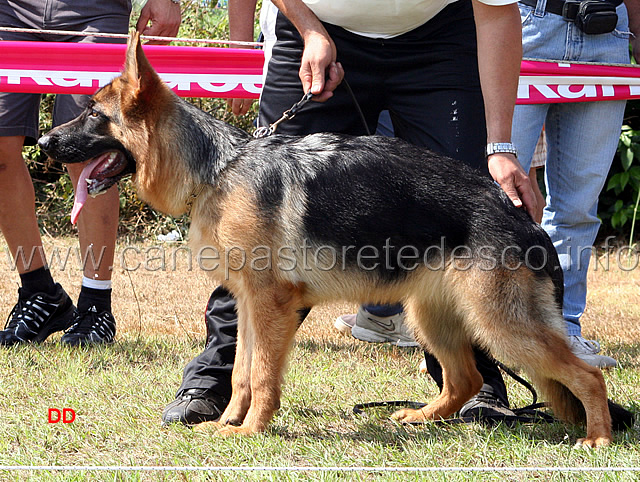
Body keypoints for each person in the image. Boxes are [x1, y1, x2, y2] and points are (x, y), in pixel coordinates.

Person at [163, 0, 534, 426]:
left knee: (462, 221)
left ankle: (478, 386)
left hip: (440, 41)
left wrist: (500, 146)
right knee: (252, 229)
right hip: (316, 29)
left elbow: (497, 14)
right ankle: (217, 379)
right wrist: (310, 30)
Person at [0, 0, 181, 346]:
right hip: (11, 7)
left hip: (93, 8)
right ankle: (39, 293)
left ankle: (96, 306)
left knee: (88, 150)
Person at [511, 0, 640, 368]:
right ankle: (483, 335)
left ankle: (562, 330)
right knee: (495, 199)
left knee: (578, 207)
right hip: (526, 23)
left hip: (609, 30)